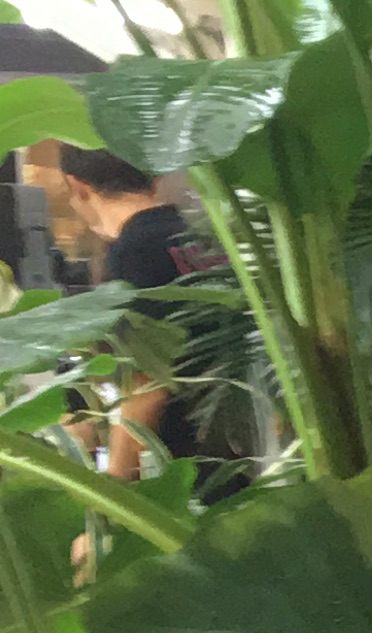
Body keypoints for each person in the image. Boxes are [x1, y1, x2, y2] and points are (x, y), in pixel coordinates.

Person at [45, 144, 242, 492]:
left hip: (186, 472)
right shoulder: (197, 237)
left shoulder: (133, 252)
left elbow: (148, 385)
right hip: (237, 454)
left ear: (77, 186)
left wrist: (115, 491)